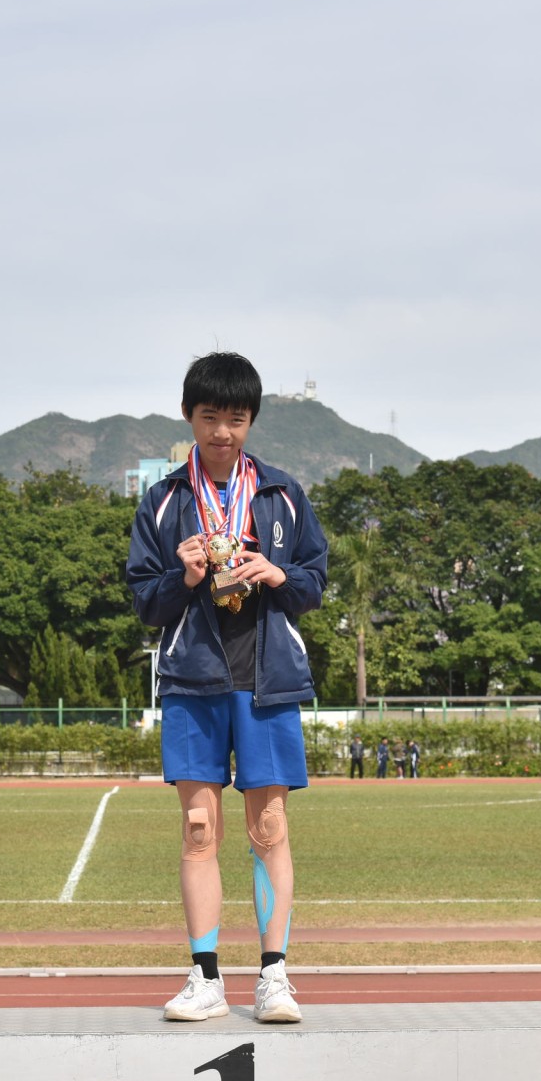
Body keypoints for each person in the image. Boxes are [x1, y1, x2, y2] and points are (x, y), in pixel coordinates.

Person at [127, 352, 327, 1025]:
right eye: (210, 416)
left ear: (251, 421)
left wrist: (277, 573)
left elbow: (314, 585)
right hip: (193, 680)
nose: (222, 432)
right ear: (188, 415)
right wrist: (182, 577)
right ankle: (205, 976)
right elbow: (144, 602)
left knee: (269, 827)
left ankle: (274, 976)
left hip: (268, 680)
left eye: (235, 419)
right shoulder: (163, 501)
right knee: (198, 829)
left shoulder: (283, 495)